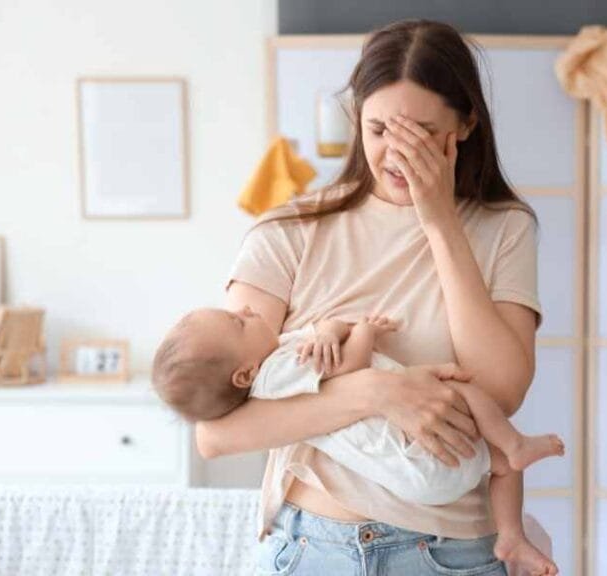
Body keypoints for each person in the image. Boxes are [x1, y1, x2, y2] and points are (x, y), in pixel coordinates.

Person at [196, 18, 551, 576]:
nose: (396, 153)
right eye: (380, 129)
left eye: (421, 132)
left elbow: (501, 392)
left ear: (465, 125)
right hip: (313, 550)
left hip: (451, 554)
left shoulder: (503, 229)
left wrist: (440, 223)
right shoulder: (288, 231)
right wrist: (378, 393)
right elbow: (219, 431)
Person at [153, 307, 563, 573]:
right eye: (237, 323)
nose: (244, 310)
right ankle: (514, 447)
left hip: (424, 473)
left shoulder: (277, 357)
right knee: (467, 398)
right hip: (418, 459)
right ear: (244, 375)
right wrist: (364, 331)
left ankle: (511, 536)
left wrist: (329, 330)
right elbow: (351, 364)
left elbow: (321, 333)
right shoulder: (275, 374)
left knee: (494, 461)